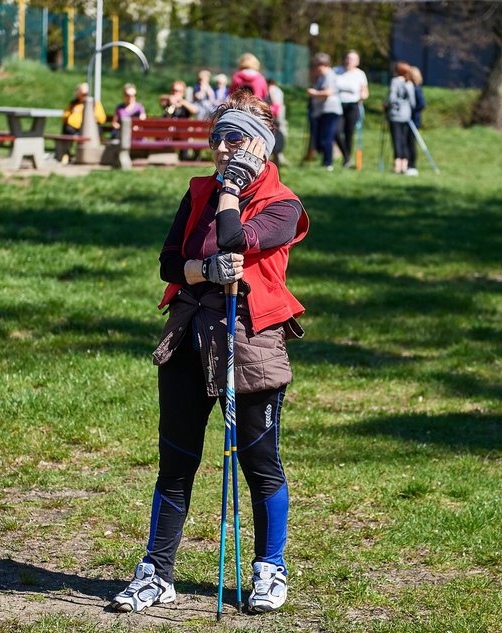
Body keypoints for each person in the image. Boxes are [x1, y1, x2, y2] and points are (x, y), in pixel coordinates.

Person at [110, 89, 309, 616]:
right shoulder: (198, 190)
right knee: (176, 462)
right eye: (216, 137)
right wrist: (202, 271)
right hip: (188, 333)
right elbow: (169, 263)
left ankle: (270, 569)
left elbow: (234, 238)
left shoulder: (284, 205)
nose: (221, 148)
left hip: (249, 341)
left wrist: (233, 190)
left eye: (234, 138)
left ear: (260, 145)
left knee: (260, 463)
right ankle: (156, 573)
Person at [306, 53, 342, 171]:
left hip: (329, 110)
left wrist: (314, 93)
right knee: (323, 137)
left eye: (317, 66)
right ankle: (325, 161)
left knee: (327, 137)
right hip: (322, 110)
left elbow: (328, 92)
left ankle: (328, 162)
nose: (316, 69)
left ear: (324, 65)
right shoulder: (322, 76)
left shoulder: (329, 75)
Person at [334, 50, 369, 168]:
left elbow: (365, 91)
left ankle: (346, 159)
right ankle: (346, 156)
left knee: (349, 132)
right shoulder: (336, 71)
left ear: (357, 62)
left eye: (352, 59)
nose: (349, 61)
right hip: (337, 105)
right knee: (336, 131)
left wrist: (363, 95)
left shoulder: (360, 74)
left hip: (353, 106)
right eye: (348, 58)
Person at [386, 61, 416, 174]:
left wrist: (388, 105)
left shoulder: (395, 81)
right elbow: (413, 102)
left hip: (395, 115)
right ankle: (405, 165)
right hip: (406, 115)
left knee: (396, 140)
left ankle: (397, 166)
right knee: (404, 140)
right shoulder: (409, 83)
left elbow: (392, 98)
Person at [406, 66, 426, 176]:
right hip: (409, 118)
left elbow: (422, 104)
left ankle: (412, 164)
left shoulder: (416, 88)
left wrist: (412, 111)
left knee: (411, 143)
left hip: (413, 120)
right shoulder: (411, 87)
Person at [267, 79, 288, 165]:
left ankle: (278, 156)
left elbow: (275, 103)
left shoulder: (272, 90)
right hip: (278, 115)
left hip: (276, 116)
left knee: (278, 136)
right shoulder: (278, 90)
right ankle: (279, 156)